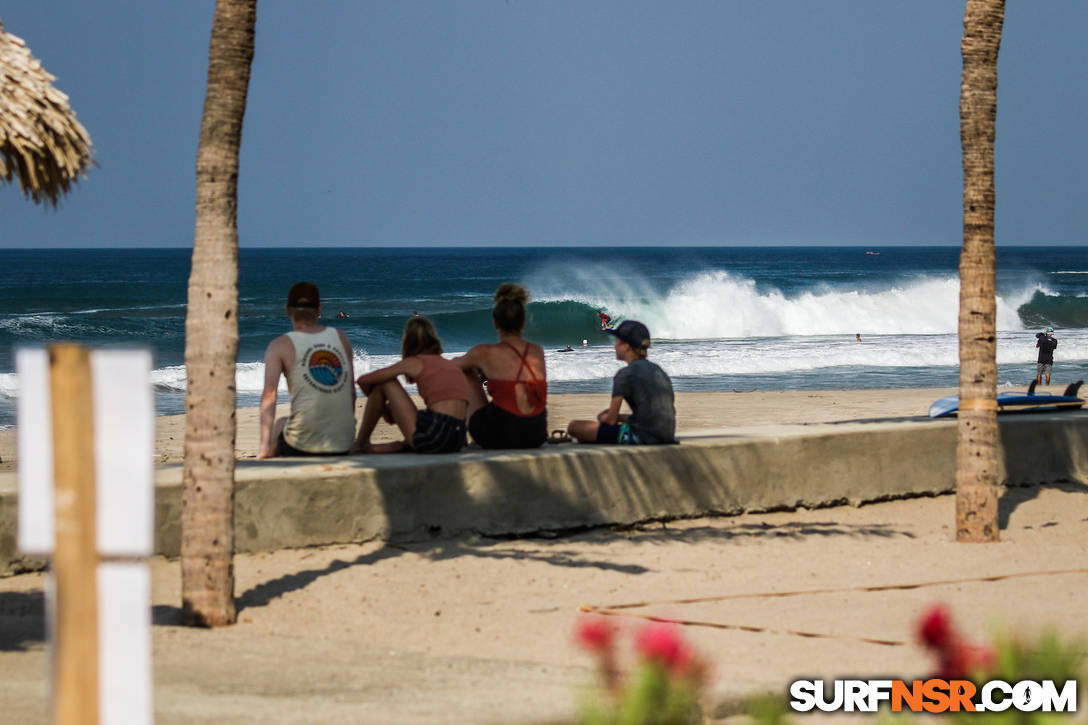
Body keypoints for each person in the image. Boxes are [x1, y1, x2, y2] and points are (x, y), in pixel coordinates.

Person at [259, 282, 356, 458]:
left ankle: (267, 453)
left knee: (281, 424)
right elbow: (351, 393)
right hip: (343, 442)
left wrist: (263, 446)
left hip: (303, 446)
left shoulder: (279, 345)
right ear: (319, 310)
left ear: (288, 310)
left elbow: (269, 396)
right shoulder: (342, 338)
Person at [352, 316, 469, 454]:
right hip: (458, 438)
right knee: (419, 425)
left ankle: (360, 442)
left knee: (386, 383)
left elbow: (363, 380)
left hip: (435, 435)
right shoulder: (449, 365)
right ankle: (400, 445)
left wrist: (383, 409)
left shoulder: (415, 362)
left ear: (408, 343)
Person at [455, 283, 548, 449]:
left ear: (495, 323)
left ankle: (457, 436)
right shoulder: (537, 351)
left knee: (465, 372)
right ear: (523, 322)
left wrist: (477, 371)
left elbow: (448, 367)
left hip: (502, 436)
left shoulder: (483, 352)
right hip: (536, 434)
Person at [566, 320, 676, 445]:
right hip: (667, 434)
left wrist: (604, 417)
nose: (614, 346)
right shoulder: (657, 370)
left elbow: (611, 421)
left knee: (574, 427)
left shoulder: (625, 374)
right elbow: (650, 415)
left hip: (643, 436)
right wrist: (620, 418)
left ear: (626, 346)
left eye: (617, 342)